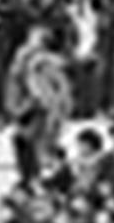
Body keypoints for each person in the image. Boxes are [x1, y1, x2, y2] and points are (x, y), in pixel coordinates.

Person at [5, 23, 73, 186]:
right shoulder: (24, 61)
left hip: (39, 109)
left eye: (33, 39)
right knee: (23, 140)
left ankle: (41, 174)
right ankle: (33, 176)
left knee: (36, 141)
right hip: (28, 107)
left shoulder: (43, 62)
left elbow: (59, 87)